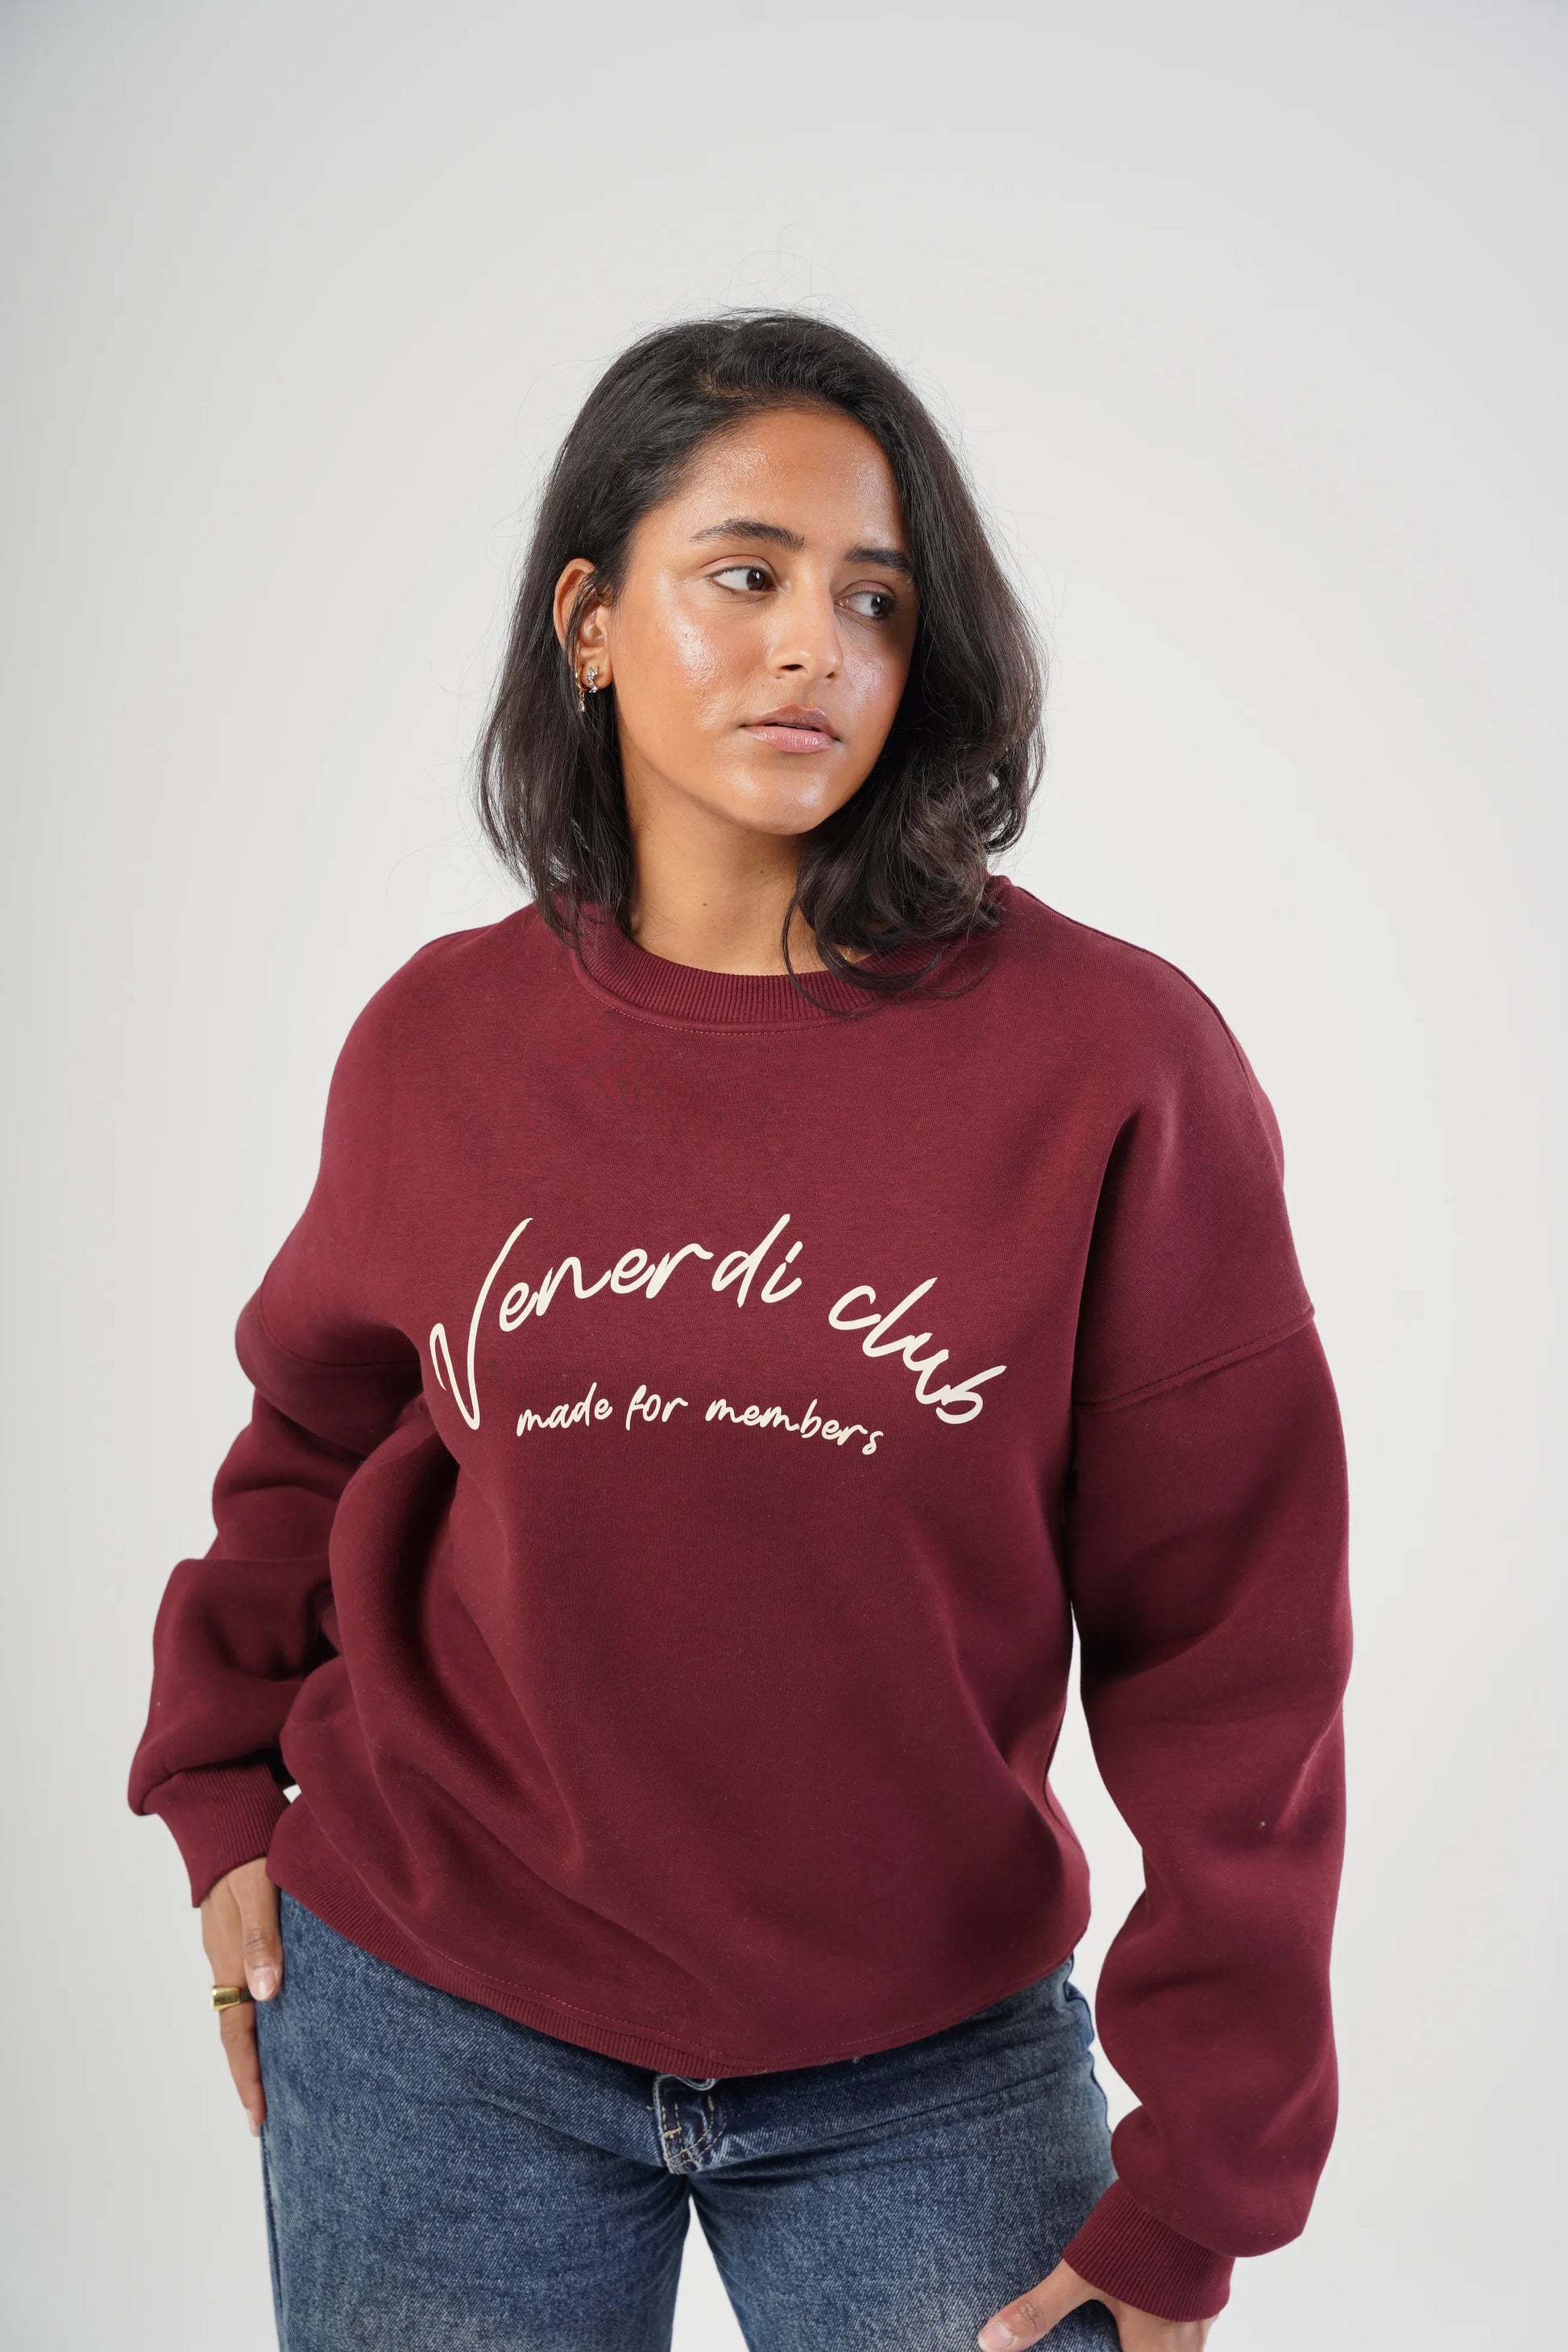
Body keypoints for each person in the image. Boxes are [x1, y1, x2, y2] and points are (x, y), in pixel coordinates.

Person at [127, 309, 1352, 2352]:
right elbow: (313, 1438)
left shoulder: (1112, 1063)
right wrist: (217, 1776)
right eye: (745, 574)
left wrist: (1209, 2161)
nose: (815, 648)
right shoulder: (439, 1043)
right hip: (439, 2019)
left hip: (928, 2059)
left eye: (873, 598)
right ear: (590, 623)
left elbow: (1236, 1636)